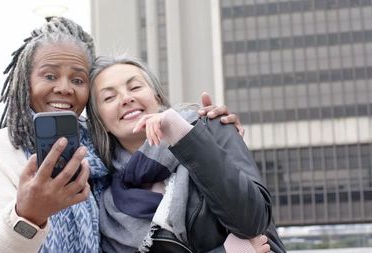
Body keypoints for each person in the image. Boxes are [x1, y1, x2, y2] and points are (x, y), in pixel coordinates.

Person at [0, 17, 245, 253]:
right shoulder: (1, 147)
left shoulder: (101, 143)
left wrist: (212, 129)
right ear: (25, 84)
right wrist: (28, 214)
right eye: (50, 76)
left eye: (77, 80)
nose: (64, 88)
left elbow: (159, 141)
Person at [86, 55, 287, 253]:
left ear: (156, 96)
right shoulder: (109, 206)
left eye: (135, 87)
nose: (126, 98)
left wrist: (185, 137)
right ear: (100, 121)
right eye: (109, 97)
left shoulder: (213, 128)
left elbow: (253, 220)